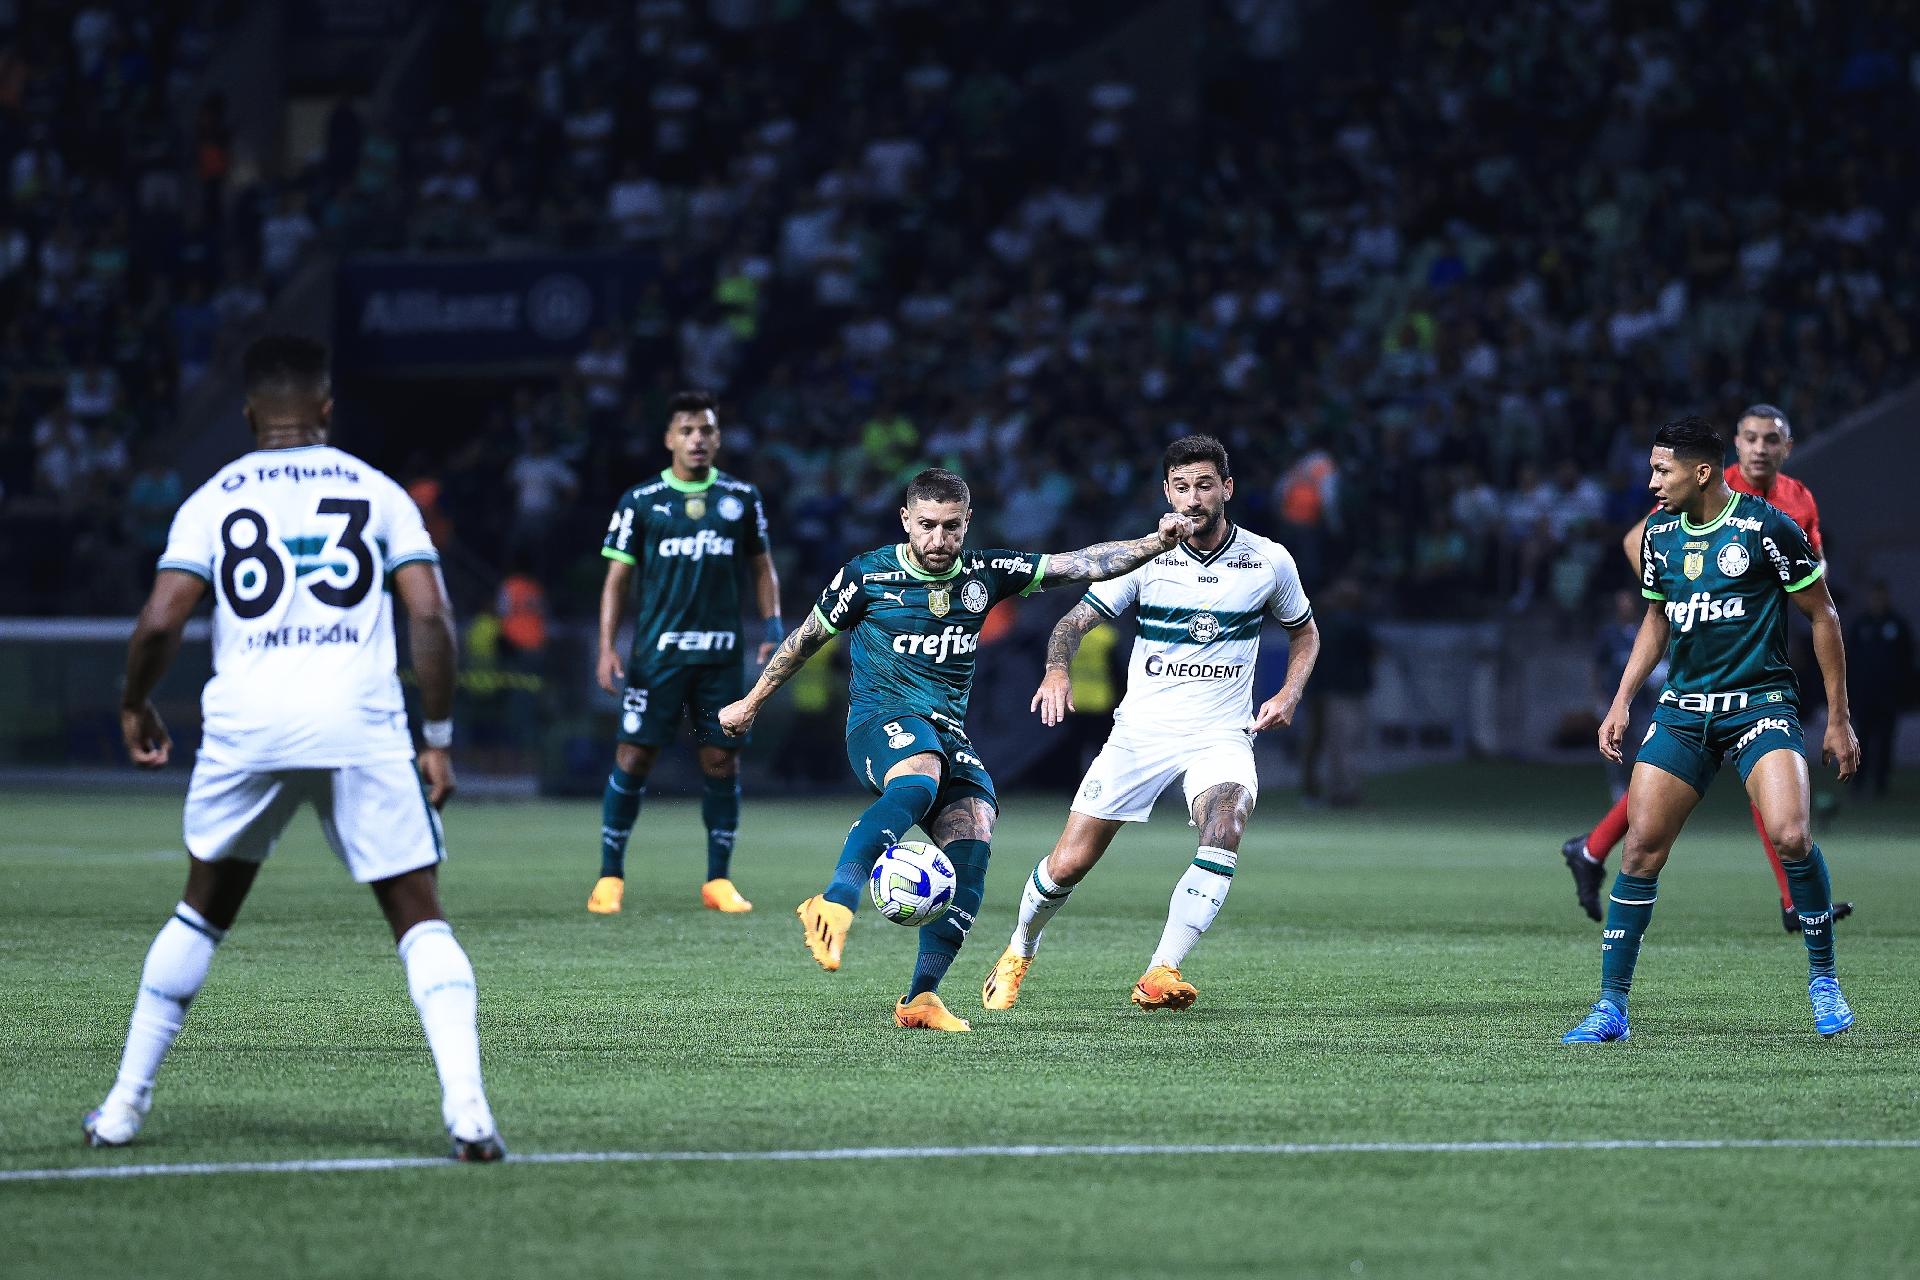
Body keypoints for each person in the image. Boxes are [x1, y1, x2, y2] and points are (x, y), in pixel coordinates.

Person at [86, 335, 502, 1160]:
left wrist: (135, 703)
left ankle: (121, 1110)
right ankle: (470, 1115)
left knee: (200, 910)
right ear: (326, 410)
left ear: (248, 415)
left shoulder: (213, 497)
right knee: (418, 915)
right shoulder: (377, 492)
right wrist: (440, 738)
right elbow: (430, 617)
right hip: (359, 720)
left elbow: (162, 619)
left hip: (249, 723)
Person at [717, 467, 1197, 1032]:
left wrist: (1154, 542)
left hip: (948, 732)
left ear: (967, 522)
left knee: (975, 831)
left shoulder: (985, 572)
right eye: (926, 526)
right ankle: (836, 898)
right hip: (881, 721)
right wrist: (751, 702)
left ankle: (920, 997)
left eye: (951, 527)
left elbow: (1081, 563)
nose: (939, 540)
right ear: (905, 521)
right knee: (919, 772)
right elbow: (805, 640)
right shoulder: (866, 578)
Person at [980, 435, 1319, 1012]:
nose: (1193, 498)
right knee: (1069, 864)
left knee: (1227, 823)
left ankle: (1161, 971)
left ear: (1227, 489)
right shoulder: (1143, 557)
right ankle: (1018, 949)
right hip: (1140, 733)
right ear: (1166, 492)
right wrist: (1057, 671)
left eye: (1205, 485)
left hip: (1220, 735)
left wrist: (1289, 692)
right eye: (1182, 487)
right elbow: (1071, 623)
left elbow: (1305, 632)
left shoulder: (1269, 560)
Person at [1562, 416, 1860, 1044]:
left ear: (1701, 472)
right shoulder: (1662, 536)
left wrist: (1838, 718)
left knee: (1791, 835)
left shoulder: (1766, 527)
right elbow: (1655, 621)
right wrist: (1619, 702)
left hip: (1760, 706)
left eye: (1661, 471)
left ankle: (1825, 982)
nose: (1652, 483)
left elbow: (1823, 615)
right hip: (1684, 711)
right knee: (1642, 849)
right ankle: (1611, 1008)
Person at [589, 391, 779, 916]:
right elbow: (616, 579)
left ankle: (718, 880)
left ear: (717, 439)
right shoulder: (642, 500)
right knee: (634, 755)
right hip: (657, 657)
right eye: (688, 430)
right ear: (669, 438)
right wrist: (607, 646)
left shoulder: (741, 498)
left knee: (720, 760)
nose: (698, 439)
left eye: (707, 430)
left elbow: (762, 567)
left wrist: (773, 625)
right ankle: (609, 877)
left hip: (720, 658)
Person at [1846, 579, 1912, 799]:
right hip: (1864, 696)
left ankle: (1881, 785)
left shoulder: (1898, 625)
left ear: (1887, 597)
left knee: (1885, 740)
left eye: (1881, 596)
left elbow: (1907, 661)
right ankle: (1859, 783)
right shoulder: (1860, 625)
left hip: (1888, 696)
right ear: (1869, 599)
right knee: (1861, 740)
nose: (1878, 601)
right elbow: (1849, 661)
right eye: (1874, 596)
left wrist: (1902, 692)